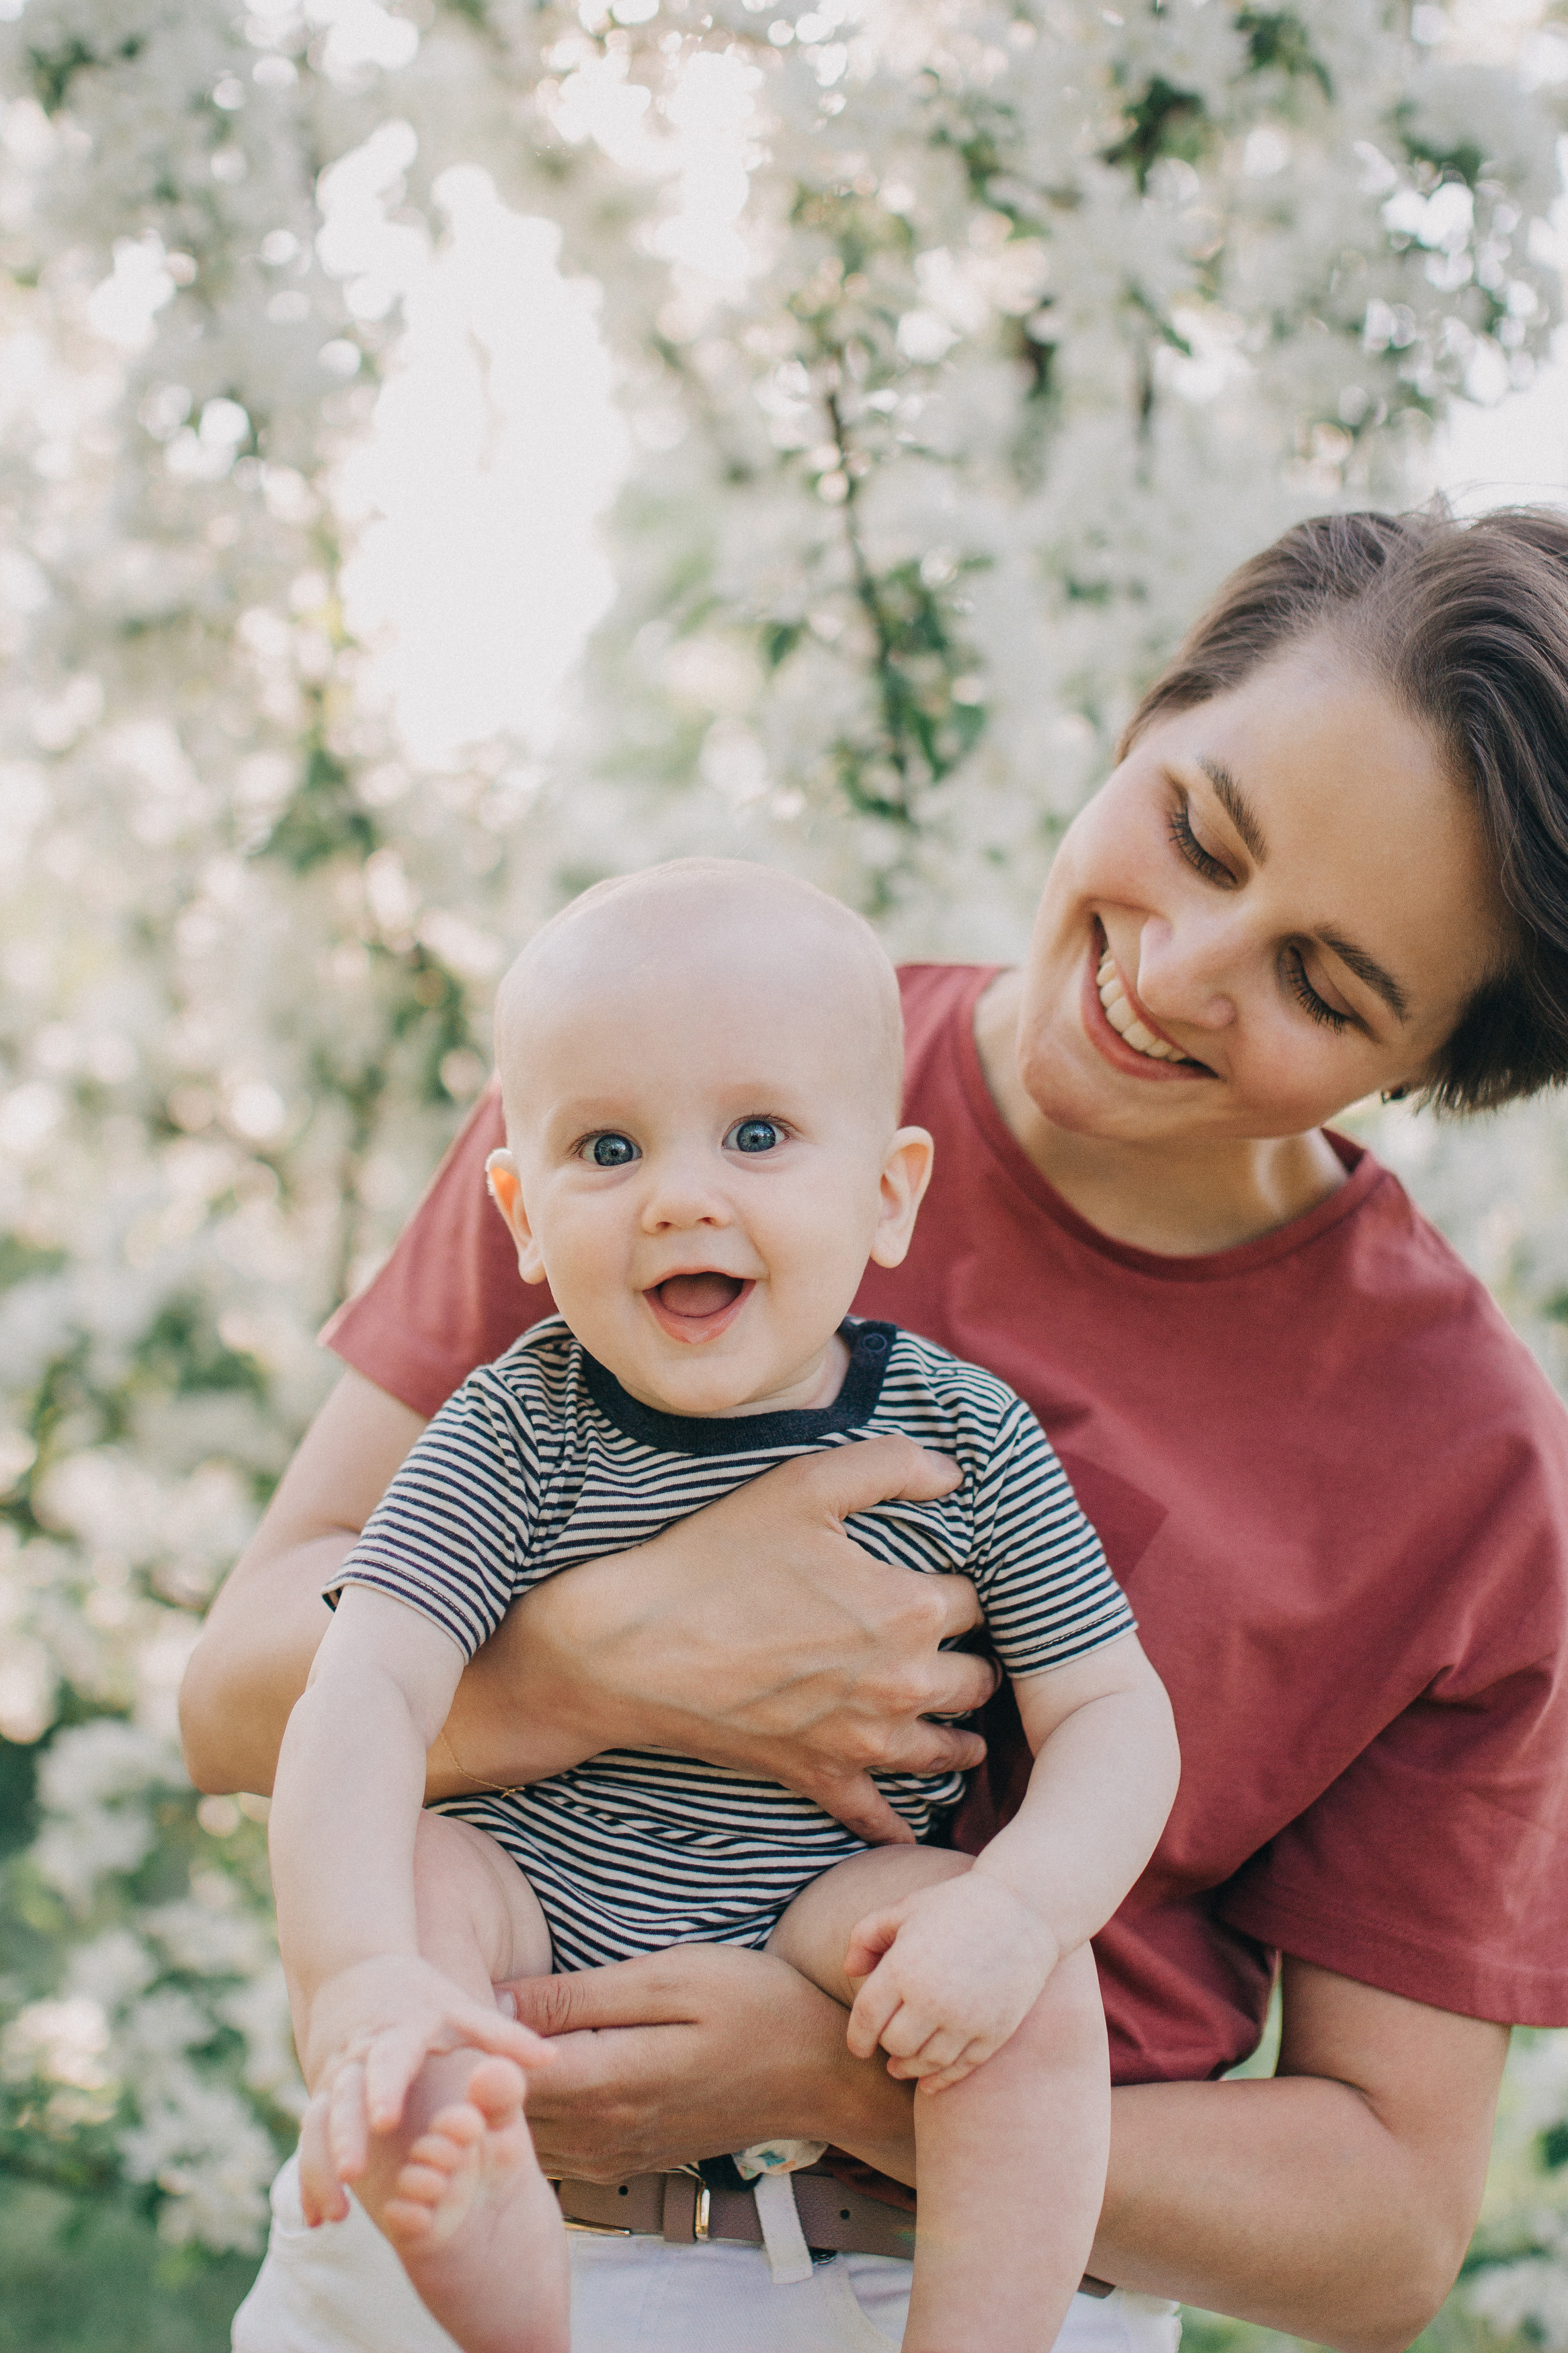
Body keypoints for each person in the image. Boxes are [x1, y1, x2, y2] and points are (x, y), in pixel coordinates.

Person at [185, 506, 1568, 2353]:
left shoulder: (1463, 1459)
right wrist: (608, 1664)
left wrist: (841, 2077)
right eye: (1196, 831)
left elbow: (1385, 2234)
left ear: (1433, 1064)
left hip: (960, 2270)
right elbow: (237, 1698)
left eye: (1322, 984)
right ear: (1148, 717)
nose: (1176, 972)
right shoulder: (664, 1067)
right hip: (457, 2229)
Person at [271, 863, 1178, 2353]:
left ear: (887, 1193)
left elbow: (1111, 1710)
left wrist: (1021, 1907)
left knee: (1031, 1993)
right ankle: (486, 2235)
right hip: (530, 1897)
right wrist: (358, 1973)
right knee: (418, 1887)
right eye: (607, 1147)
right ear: (522, 1215)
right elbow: (363, 1687)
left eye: (757, 1136)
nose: (681, 1195)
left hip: (826, 1904)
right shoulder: (514, 1427)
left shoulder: (965, 1432)